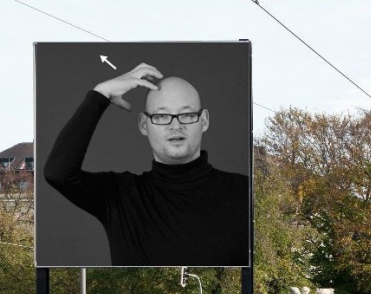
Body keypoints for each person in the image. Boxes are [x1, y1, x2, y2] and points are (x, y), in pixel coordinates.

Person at [44, 63, 249, 266]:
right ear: (144, 124)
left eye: (186, 115)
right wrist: (101, 93)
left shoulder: (245, 193)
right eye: (161, 116)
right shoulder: (119, 197)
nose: (175, 125)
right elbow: (58, 173)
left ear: (203, 120)